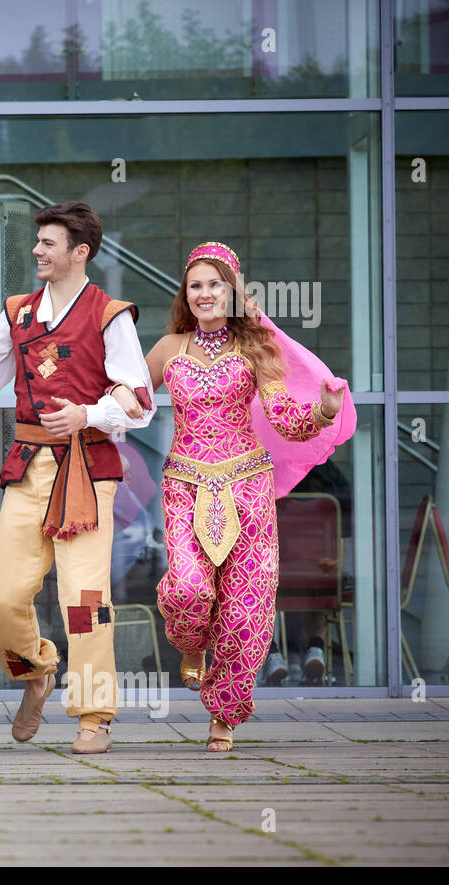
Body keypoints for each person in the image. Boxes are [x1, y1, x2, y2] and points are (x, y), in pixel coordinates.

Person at [123, 241, 353, 751]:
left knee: (246, 610)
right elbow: (134, 397)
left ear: (231, 291)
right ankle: (191, 644)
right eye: (196, 285)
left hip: (248, 488)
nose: (205, 294)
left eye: (215, 284)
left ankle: (223, 716)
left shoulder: (256, 349)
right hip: (186, 488)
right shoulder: (167, 348)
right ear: (186, 293)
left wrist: (323, 411)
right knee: (186, 589)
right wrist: (112, 397)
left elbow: (286, 422)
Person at [0, 201, 156, 755]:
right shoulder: (17, 312)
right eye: (38, 242)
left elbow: (140, 400)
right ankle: (36, 669)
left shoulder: (110, 314)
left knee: (86, 599)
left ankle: (93, 716)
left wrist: (89, 414)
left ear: (80, 253)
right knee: (2, 596)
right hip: (29, 466)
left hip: (89, 470)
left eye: (48, 243)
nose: (36, 251)